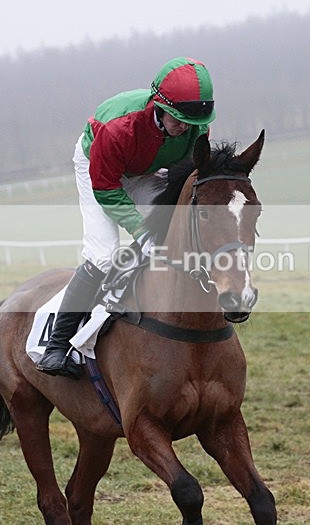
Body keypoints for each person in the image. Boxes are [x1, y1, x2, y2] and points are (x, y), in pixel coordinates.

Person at [36, 57, 216, 379]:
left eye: (191, 121)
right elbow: (106, 188)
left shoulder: (197, 125)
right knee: (104, 255)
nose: (185, 128)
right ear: (158, 105)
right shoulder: (118, 128)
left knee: (170, 231)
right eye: (178, 119)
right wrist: (139, 229)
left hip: (144, 169)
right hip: (99, 169)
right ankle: (57, 346)